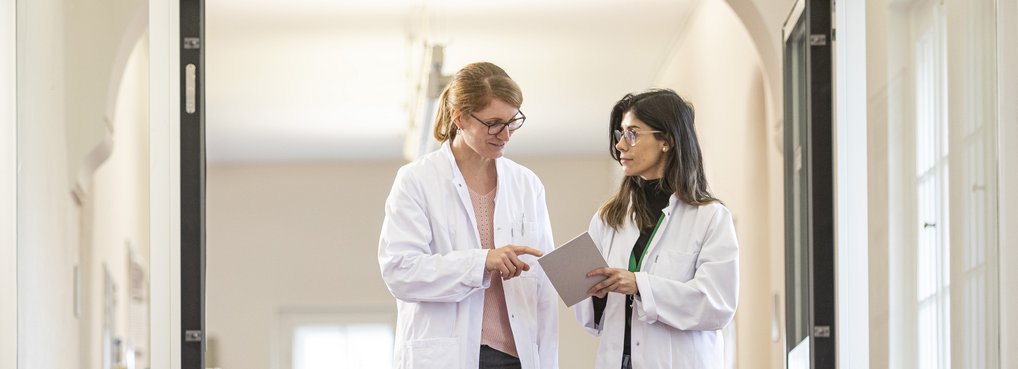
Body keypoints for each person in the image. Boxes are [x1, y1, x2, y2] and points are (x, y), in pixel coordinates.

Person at [378, 61, 559, 369]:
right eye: (493, 123)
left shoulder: (527, 185)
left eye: (512, 122)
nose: (505, 135)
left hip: (517, 355)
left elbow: (543, 282)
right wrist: (481, 262)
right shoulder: (417, 180)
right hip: (448, 354)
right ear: (460, 118)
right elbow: (399, 272)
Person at [573, 89, 739, 369]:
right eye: (620, 135)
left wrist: (640, 286)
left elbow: (717, 304)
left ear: (667, 141)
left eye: (633, 134)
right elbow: (592, 321)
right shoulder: (609, 218)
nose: (621, 146)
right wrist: (595, 294)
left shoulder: (710, 218)